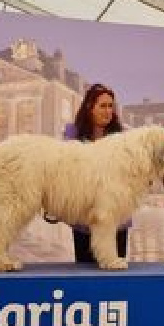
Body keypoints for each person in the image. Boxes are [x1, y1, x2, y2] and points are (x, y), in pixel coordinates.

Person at [63, 83, 129, 263]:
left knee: (114, 268)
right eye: (103, 106)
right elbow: (65, 169)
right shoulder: (73, 132)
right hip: (84, 217)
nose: (108, 111)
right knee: (85, 271)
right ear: (89, 107)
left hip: (116, 219)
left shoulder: (123, 137)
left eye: (111, 106)